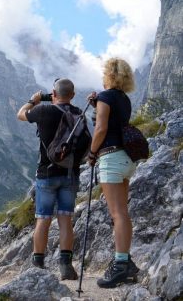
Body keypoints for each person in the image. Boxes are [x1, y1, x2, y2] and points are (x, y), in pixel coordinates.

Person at [17, 78, 83, 280]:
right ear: (72, 95)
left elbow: (20, 114)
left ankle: (38, 264)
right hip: (70, 174)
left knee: (43, 220)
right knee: (65, 220)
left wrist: (34, 100)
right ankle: (66, 266)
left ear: (53, 94)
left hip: (46, 174)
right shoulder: (78, 114)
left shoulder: (44, 111)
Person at [87, 57, 139, 288]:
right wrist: (96, 102)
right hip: (127, 158)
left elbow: (101, 128)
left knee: (117, 213)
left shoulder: (105, 97)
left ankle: (120, 266)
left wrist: (91, 153)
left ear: (108, 74)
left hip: (110, 157)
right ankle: (125, 262)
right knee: (122, 212)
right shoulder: (123, 99)